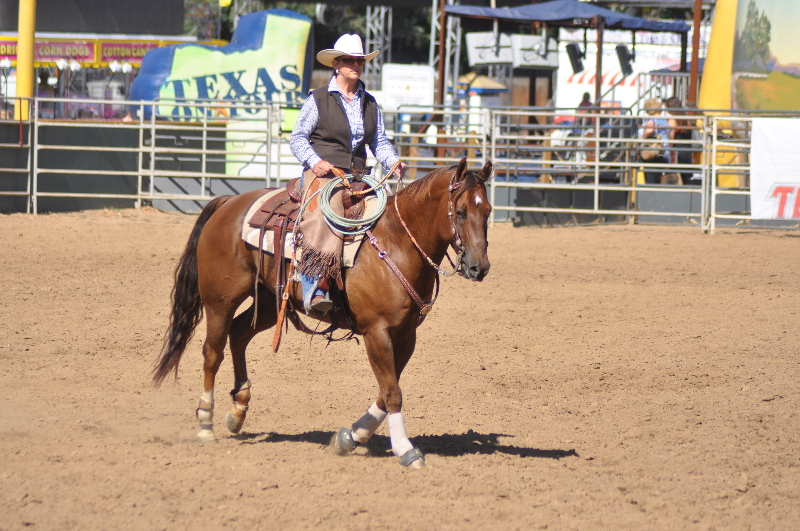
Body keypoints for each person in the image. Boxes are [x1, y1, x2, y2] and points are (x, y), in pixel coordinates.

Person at [290, 34, 406, 316]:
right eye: (350, 60)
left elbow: (378, 142)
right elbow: (298, 138)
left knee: (389, 212)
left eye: (360, 60)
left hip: (359, 177)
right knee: (325, 213)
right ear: (337, 64)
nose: (356, 64)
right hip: (325, 175)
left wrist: (393, 161)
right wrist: (315, 161)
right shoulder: (318, 99)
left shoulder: (369, 102)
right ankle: (313, 287)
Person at [637, 98, 670, 184]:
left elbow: (650, 130)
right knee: (660, 180)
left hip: (653, 153)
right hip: (663, 153)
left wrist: (642, 138)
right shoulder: (664, 121)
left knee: (650, 181)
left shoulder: (652, 120)